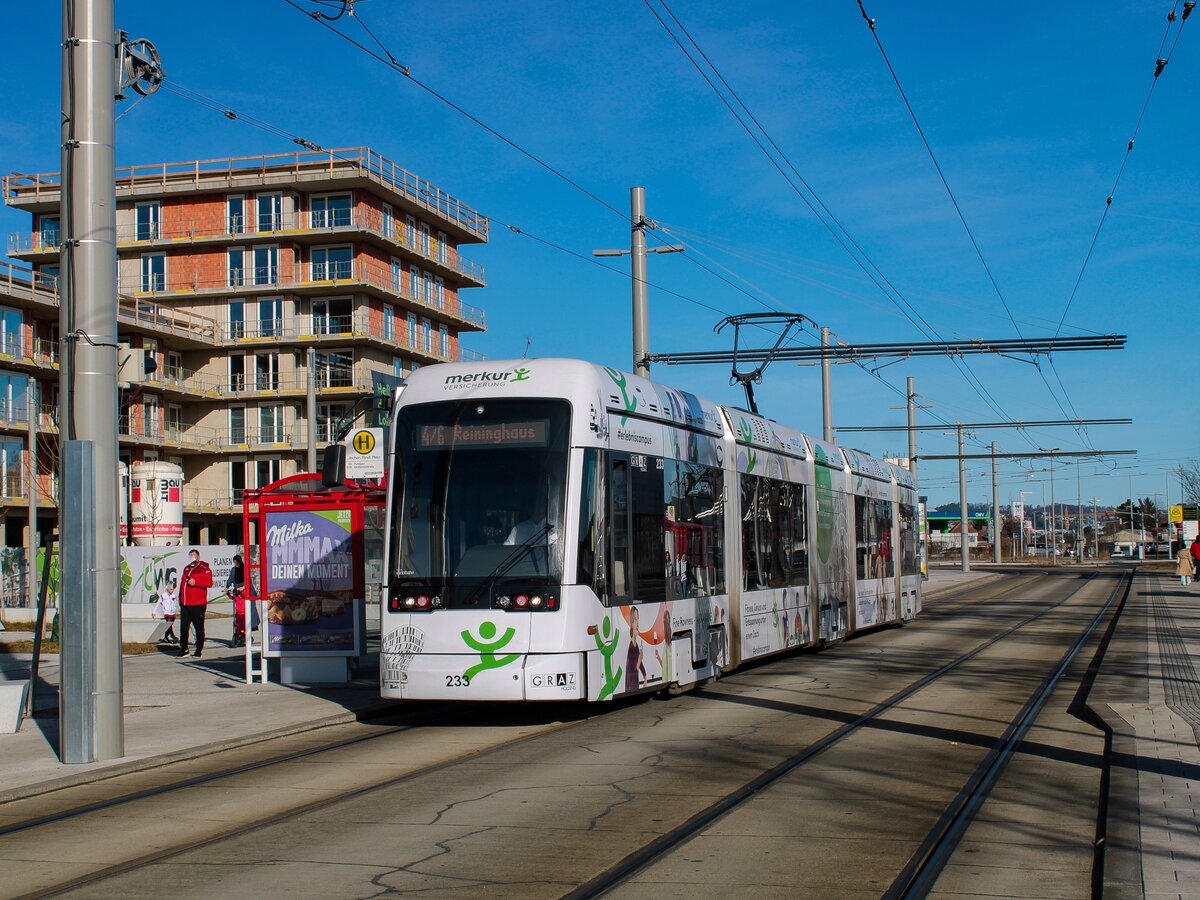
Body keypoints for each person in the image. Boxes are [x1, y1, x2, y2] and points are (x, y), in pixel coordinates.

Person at [179, 548, 213, 658]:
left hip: (197, 603)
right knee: (184, 627)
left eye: (194, 556)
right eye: (190, 556)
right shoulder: (186, 568)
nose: (192, 558)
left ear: (198, 557)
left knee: (198, 627)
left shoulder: (204, 568)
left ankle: (199, 649)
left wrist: (196, 583)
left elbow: (209, 583)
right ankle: (184, 649)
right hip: (185, 603)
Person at [226, 553, 247, 647]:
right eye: (234, 562)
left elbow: (248, 580)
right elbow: (230, 579)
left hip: (244, 590)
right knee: (237, 619)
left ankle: (244, 634)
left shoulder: (244, 569)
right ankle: (238, 634)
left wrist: (243, 587)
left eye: (237, 562)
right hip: (237, 591)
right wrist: (227, 587)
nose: (236, 564)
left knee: (244, 619)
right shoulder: (234, 570)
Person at [155, 578, 179, 644]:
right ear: (167, 589)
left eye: (173, 589)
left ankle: (166, 637)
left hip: (172, 613)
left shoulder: (174, 595)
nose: (172, 590)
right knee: (169, 625)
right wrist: (154, 612)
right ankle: (173, 636)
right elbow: (158, 603)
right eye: (171, 589)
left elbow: (178, 601)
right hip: (166, 613)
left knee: (169, 625)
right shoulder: (163, 595)